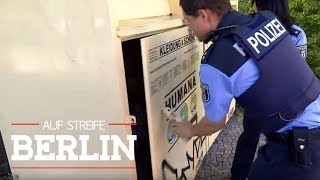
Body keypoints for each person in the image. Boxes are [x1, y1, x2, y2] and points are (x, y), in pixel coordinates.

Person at [172, 0, 320, 179]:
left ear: (203, 15)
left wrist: (189, 130)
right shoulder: (266, 20)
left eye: (188, 20)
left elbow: (215, 122)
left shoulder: (216, 62)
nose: (189, 27)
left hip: (298, 152)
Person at [231, 0, 308, 179]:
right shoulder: (296, 33)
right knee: (276, 145)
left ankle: (239, 176)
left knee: (251, 140)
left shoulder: (251, 34)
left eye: (254, 4)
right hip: (287, 104)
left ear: (264, 6)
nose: (252, 8)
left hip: (260, 99)